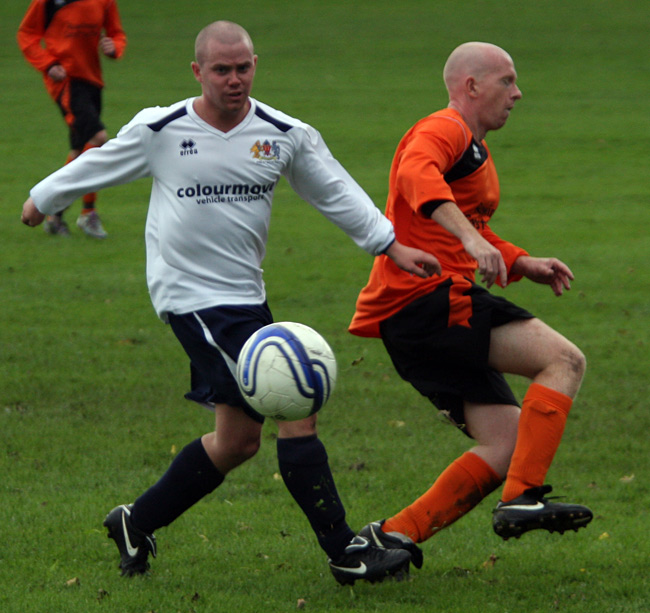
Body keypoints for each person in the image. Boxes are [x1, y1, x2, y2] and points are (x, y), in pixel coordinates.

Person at [21, 21, 440, 584]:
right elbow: (99, 161)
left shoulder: (282, 133)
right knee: (296, 399)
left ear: (255, 65)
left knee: (238, 441)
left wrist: (390, 244)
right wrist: (42, 199)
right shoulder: (162, 129)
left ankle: (135, 522)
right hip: (189, 295)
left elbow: (334, 189)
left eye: (243, 68)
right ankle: (345, 551)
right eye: (222, 70)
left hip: (246, 296)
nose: (234, 79)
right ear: (198, 72)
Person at [348, 42, 593, 561]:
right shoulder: (445, 128)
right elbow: (416, 175)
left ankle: (388, 540)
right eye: (507, 81)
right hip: (429, 301)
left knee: (507, 441)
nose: (517, 93)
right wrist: (472, 240)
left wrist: (520, 261)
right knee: (564, 360)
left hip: (412, 317)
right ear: (471, 86)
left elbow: (471, 226)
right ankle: (522, 498)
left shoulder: (474, 148)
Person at [17, 0, 127, 238]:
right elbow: (26, 34)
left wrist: (114, 47)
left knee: (80, 151)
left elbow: (116, 33)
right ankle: (88, 212)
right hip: (66, 81)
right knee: (98, 138)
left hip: (92, 80)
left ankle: (54, 216)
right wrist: (47, 64)